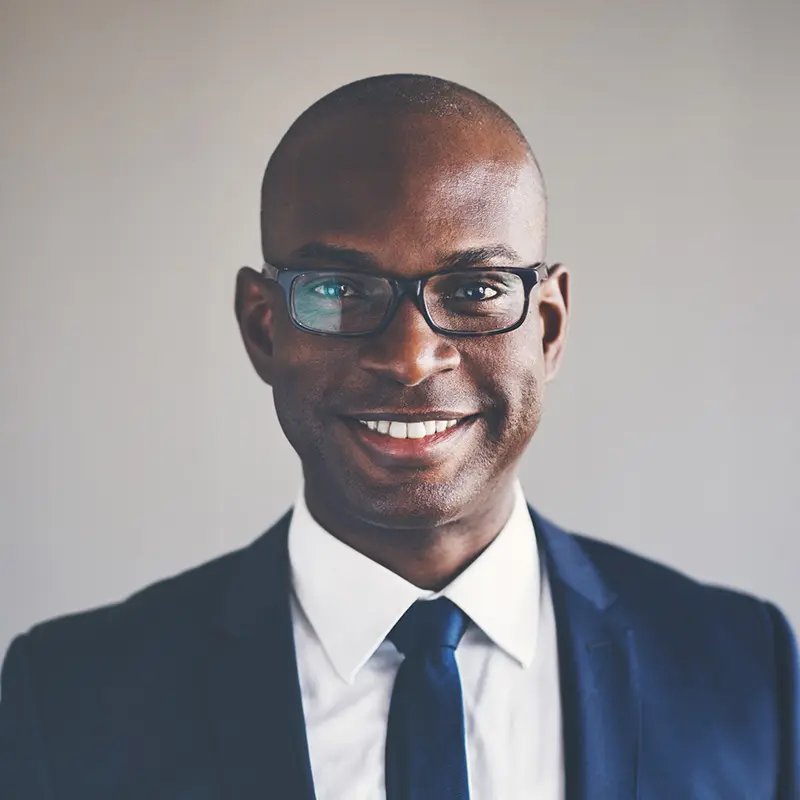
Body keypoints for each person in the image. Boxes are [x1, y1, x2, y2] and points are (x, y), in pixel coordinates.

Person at [0, 73, 797, 800]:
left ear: (548, 328)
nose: (411, 358)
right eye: (340, 289)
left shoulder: (747, 670)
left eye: (477, 288)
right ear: (263, 328)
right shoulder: (67, 699)